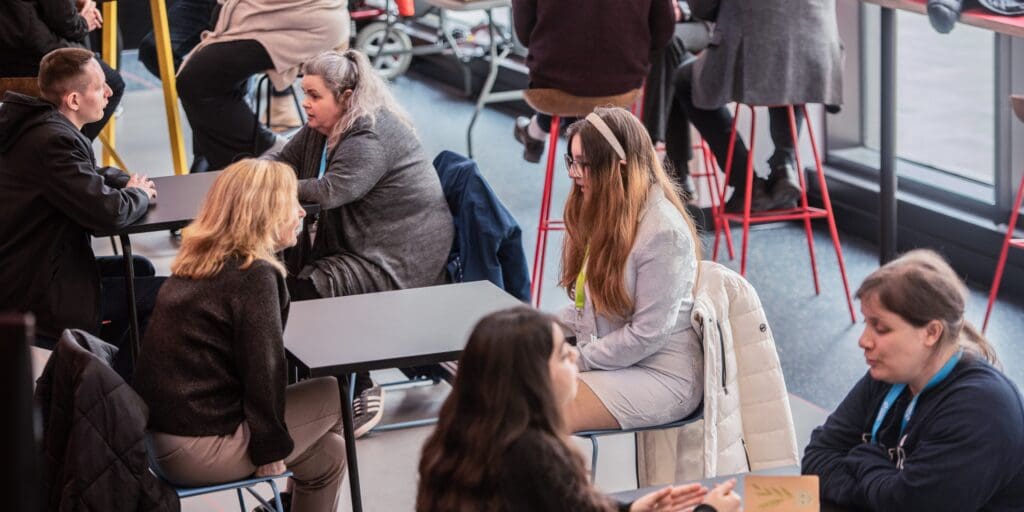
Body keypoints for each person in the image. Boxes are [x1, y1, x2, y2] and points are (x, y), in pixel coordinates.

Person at [133, 159, 347, 512]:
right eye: (290, 203)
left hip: (160, 441)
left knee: (328, 456)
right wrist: (269, 449)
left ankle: (289, 500)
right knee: (333, 392)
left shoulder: (201, 259)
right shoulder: (255, 274)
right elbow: (263, 370)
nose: (301, 213)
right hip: (199, 448)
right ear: (265, 211)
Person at [273, 49, 455, 437]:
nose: (304, 103)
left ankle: (359, 385)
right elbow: (281, 161)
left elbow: (328, 191)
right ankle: (309, 385)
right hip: (364, 245)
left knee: (305, 288)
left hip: (396, 256)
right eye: (303, 92)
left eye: (314, 95)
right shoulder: (322, 129)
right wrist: (255, 173)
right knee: (278, 273)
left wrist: (260, 185)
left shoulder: (368, 134)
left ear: (347, 96)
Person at [417, 307, 741, 512]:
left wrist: (628, 509)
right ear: (532, 376)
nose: (575, 357)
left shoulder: (460, 436)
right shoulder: (529, 453)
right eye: (562, 355)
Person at [802, 250, 1024, 511]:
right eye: (865, 323)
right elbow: (817, 459)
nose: (864, 340)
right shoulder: (890, 372)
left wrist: (862, 460)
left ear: (931, 332)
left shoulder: (983, 411)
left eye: (881, 328)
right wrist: (888, 488)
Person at [0, 47, 159, 376]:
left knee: (140, 267)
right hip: (41, 289)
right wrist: (138, 194)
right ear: (73, 100)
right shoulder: (52, 142)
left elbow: (85, 175)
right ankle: (119, 392)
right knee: (169, 297)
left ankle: (101, 367)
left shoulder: (42, 128)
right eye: (100, 85)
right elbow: (109, 213)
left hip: (36, 267)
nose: (110, 91)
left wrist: (121, 179)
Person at [556, 107, 703, 432]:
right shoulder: (610, 212)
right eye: (571, 161)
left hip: (663, 375)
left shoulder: (663, 232)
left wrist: (573, 359)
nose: (573, 173)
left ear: (619, 168)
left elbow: (646, 335)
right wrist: (539, 330)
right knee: (512, 390)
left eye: (583, 164)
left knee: (541, 407)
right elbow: (592, 305)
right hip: (625, 360)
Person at [670, 0, 843, 212]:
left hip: (754, 49)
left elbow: (703, 7)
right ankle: (784, 166)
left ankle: (746, 183)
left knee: (684, 80)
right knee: (788, 72)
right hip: (819, 48)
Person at [176, 0, 349, 171]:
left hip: (295, 20)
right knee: (202, 75)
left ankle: (262, 155)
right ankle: (223, 160)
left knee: (197, 78)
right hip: (256, 15)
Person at [510, 0, 675, 163]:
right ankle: (597, 169)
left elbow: (525, 34)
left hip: (550, 89)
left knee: (571, 76)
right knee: (591, 82)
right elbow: (662, 33)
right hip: (620, 86)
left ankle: (538, 133)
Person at [0, 0, 125, 140]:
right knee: (113, 84)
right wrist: (83, 23)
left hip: (15, 51)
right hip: (33, 55)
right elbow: (64, 20)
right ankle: (67, 150)